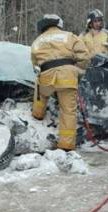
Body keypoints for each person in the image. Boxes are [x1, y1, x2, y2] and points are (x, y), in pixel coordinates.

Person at [31, 14, 91, 151]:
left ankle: (37, 114)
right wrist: (77, 71)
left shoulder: (37, 41)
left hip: (46, 79)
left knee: (39, 88)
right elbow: (85, 56)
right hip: (67, 78)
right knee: (68, 111)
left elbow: (35, 65)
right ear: (58, 24)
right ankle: (66, 145)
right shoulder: (69, 36)